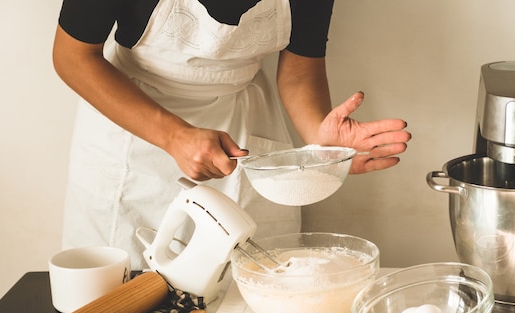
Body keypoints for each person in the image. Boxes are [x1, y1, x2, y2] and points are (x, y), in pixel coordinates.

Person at [53, 0, 411, 270]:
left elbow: (300, 68)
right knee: (123, 299)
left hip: (242, 122)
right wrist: (175, 136)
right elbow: (73, 57)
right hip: (132, 129)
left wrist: (321, 139)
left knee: (244, 291)